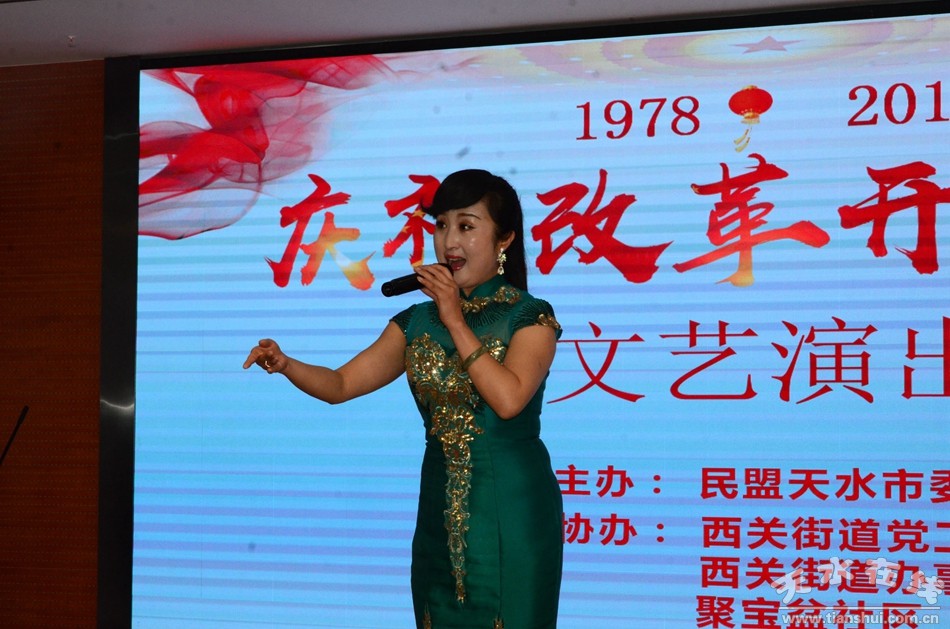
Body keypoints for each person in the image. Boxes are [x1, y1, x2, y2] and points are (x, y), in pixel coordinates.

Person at [244, 169, 563, 628]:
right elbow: (340, 384)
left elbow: (509, 400)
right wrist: (286, 363)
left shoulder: (529, 316)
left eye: (466, 226)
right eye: (441, 225)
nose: (449, 241)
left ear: (505, 239)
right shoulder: (416, 321)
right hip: (439, 511)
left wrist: (455, 320)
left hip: (512, 512)